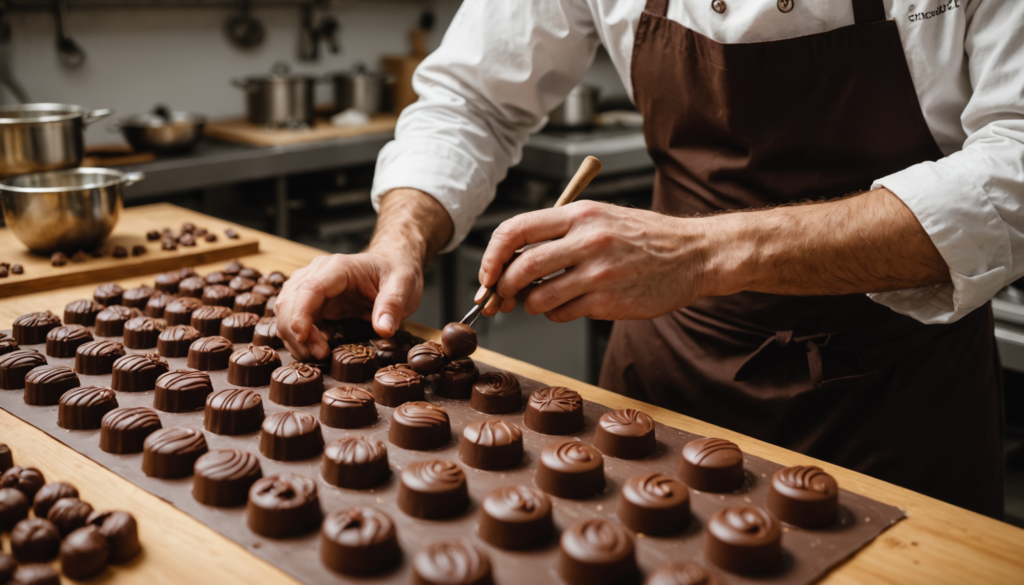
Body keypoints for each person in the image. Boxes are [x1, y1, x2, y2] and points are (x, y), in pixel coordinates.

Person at [276, 0, 1024, 518]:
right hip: (665, 379)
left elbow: (1015, 167)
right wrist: (397, 239)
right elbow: (473, 99)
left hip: (896, 399)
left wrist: (704, 251)